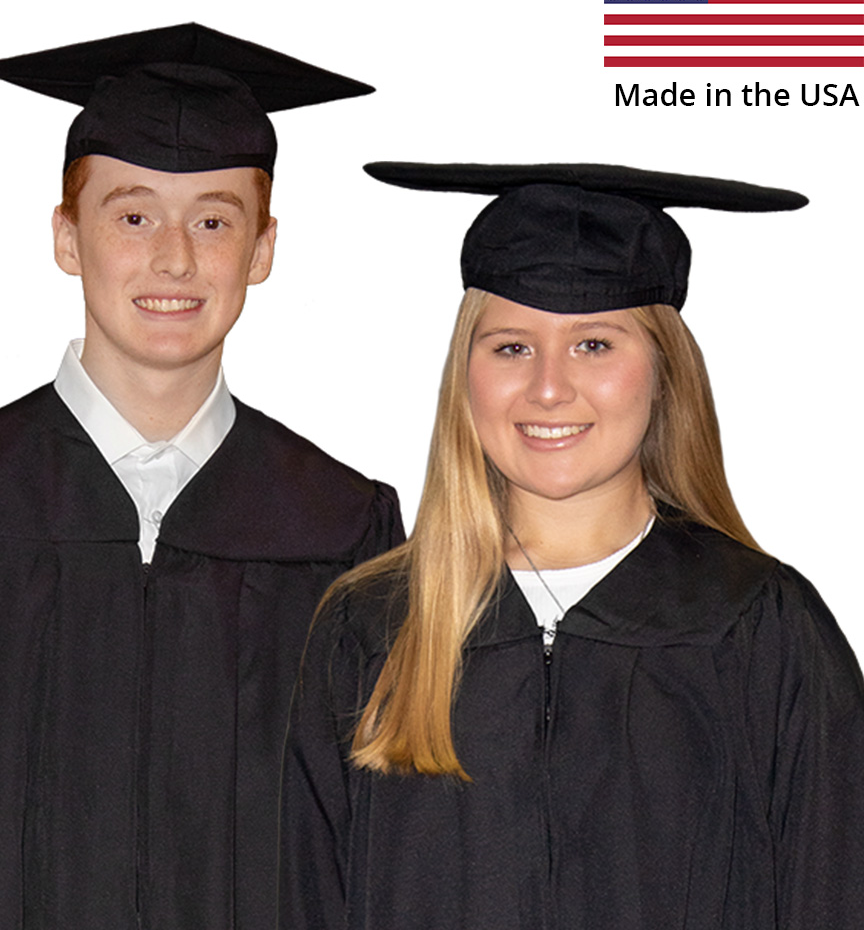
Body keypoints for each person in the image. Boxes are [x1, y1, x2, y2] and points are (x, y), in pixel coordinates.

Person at [0, 23, 404, 930]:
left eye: (214, 219)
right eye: (133, 213)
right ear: (67, 237)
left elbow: (393, 855)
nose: (174, 258)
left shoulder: (346, 531)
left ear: (262, 251)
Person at [279, 163, 864, 930]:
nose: (549, 388)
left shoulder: (758, 627)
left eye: (594, 344)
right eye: (511, 348)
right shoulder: (372, 629)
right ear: (467, 375)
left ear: (663, 372)